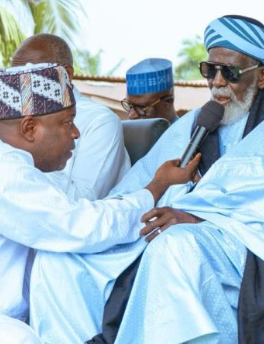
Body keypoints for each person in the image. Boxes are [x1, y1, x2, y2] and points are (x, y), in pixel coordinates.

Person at [30, 15, 264, 344]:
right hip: (176, 234)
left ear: (261, 76)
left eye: (230, 72)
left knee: (176, 246)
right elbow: (138, 185)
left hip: (254, 247)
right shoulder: (194, 124)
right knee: (59, 260)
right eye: (209, 70)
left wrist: (198, 217)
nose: (217, 82)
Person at [0, 63, 198, 344]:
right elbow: (81, 225)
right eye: (67, 122)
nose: (76, 133)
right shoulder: (8, 173)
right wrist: (157, 186)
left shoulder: (19, 167)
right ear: (30, 128)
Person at [12, 34, 130, 200]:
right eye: (14, 74)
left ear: (66, 74)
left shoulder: (100, 121)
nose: (18, 83)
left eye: (30, 73)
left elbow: (83, 200)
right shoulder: (12, 119)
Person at [122, 58, 178, 123]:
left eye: (140, 108)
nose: (131, 115)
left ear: (167, 102)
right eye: (129, 106)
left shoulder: (184, 129)